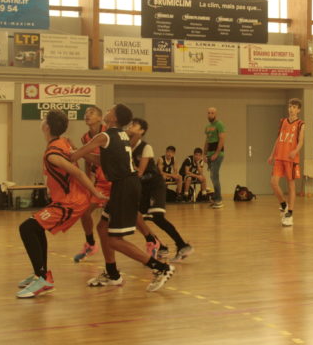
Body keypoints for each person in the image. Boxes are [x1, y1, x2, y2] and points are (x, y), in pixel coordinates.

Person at [70, 103, 175, 292]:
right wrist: (80, 154)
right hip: (123, 185)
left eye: (110, 110)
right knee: (102, 227)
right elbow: (101, 160)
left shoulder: (104, 136)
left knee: (114, 240)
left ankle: (160, 268)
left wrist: (67, 150)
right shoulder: (120, 135)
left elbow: (74, 156)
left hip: (125, 186)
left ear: (114, 118)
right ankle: (112, 274)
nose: (107, 111)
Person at [16, 110, 107, 298]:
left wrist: (95, 192)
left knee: (27, 228)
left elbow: (78, 173)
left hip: (71, 202)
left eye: (44, 119)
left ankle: (43, 279)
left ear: (47, 127)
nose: (42, 121)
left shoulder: (53, 154)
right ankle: (41, 274)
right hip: (67, 199)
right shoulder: (63, 142)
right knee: (35, 228)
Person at [128, 118, 194, 262]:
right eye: (130, 124)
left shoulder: (146, 147)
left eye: (134, 125)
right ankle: (160, 246)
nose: (130, 126)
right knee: (137, 219)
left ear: (141, 131)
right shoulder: (126, 147)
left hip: (155, 185)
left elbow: (139, 173)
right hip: (143, 187)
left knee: (157, 217)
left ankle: (182, 245)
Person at [72, 105, 111, 263]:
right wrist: (87, 180)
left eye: (92, 112)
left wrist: (76, 151)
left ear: (100, 118)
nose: (87, 115)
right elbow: (87, 160)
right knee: (84, 212)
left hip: (116, 180)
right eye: (86, 113)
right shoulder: (85, 138)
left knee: (134, 218)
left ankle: (153, 241)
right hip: (101, 183)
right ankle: (90, 244)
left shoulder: (108, 133)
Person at [267, 98, 305, 227]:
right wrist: (272, 154)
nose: (291, 109)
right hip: (279, 157)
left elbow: (301, 141)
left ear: (298, 110)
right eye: (290, 106)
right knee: (273, 183)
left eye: (294, 107)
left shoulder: (301, 124)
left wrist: (295, 151)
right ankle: (283, 204)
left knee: (291, 185)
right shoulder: (283, 121)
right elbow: (278, 139)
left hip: (291, 159)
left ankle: (290, 213)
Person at [204, 107, 226, 209]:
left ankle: (219, 200)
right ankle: (216, 198)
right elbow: (207, 141)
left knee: (214, 176)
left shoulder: (219, 124)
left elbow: (222, 139)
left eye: (212, 113)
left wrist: (216, 153)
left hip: (217, 155)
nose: (210, 114)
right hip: (210, 154)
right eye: (209, 113)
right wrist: (204, 154)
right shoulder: (207, 127)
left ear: (215, 114)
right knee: (213, 177)